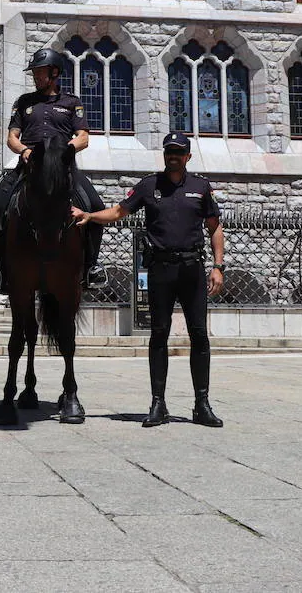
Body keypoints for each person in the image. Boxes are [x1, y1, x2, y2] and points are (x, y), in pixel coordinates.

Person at [74, 132, 225, 428]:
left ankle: (201, 404)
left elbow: (215, 227)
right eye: (169, 151)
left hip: (192, 269)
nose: (173, 156)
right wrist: (90, 216)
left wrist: (219, 266)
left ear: (188, 157)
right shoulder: (148, 186)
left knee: (199, 336)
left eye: (179, 152)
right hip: (160, 270)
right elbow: (118, 212)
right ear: (164, 154)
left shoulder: (201, 187)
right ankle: (158, 404)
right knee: (158, 335)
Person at [0, 47, 105, 292]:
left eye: (40, 72)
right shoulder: (24, 103)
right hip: (28, 169)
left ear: (54, 72)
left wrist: (63, 152)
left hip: (63, 171)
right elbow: (11, 138)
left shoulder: (72, 103)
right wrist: (25, 151)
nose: (36, 77)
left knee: (96, 207)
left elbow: (83, 138)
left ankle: (92, 266)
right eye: (34, 73)